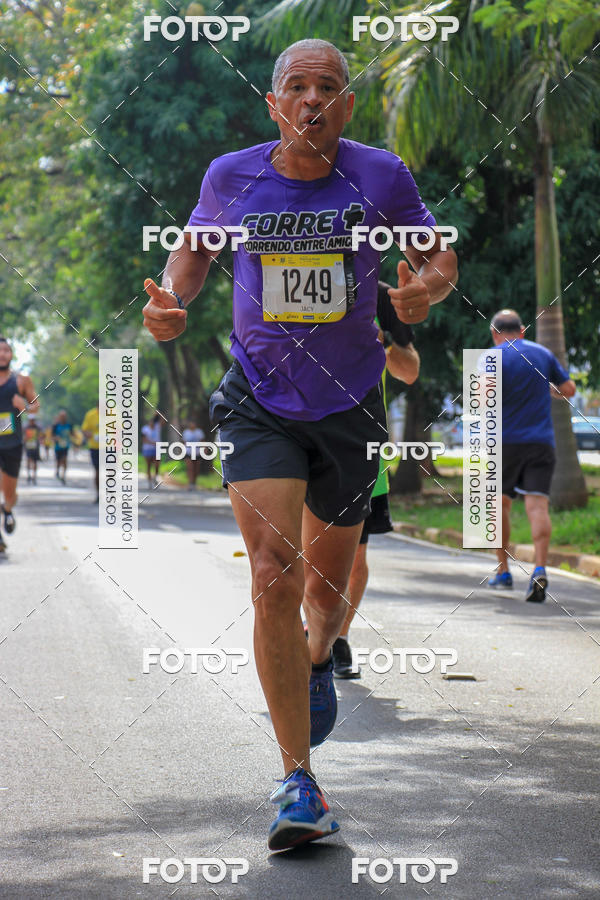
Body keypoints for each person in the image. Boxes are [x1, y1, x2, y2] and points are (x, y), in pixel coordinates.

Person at [142, 38, 457, 850]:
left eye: (327, 87)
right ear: (273, 103)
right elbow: (192, 252)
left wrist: (426, 288)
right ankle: (298, 782)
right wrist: (172, 299)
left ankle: (320, 656)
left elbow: (437, 255)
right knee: (273, 575)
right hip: (258, 400)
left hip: (350, 405)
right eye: (297, 86)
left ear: (346, 105)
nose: (312, 98)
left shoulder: (381, 175)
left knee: (326, 591)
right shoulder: (230, 177)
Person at [333, 281, 420, 678]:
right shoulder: (283, 271)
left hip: (363, 447)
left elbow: (410, 370)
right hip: (297, 440)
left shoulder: (381, 295)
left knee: (355, 560)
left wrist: (382, 343)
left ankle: (337, 636)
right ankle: (311, 627)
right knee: (298, 554)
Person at [486, 309, 575, 602]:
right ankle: (539, 568)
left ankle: (503, 571)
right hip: (541, 442)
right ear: (523, 331)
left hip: (503, 443)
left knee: (499, 505)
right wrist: (551, 391)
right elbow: (569, 389)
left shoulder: (491, 357)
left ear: (495, 333)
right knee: (537, 507)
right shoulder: (543, 354)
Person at [0, 337, 40, 551]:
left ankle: (7, 509)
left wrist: (23, 405)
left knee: (10, 493)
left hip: (12, 444)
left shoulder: (22, 380)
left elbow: (36, 406)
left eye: (6, 350)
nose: (2, 354)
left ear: (11, 354)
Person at [81, 404, 100, 503]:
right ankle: (98, 494)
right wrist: (89, 434)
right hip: (95, 447)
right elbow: (84, 429)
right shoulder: (90, 414)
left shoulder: (114, 413)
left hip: (110, 447)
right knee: (97, 471)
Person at [182, 419, 205, 490]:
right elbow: (184, 442)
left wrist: (204, 450)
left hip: (197, 452)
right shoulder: (186, 432)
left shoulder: (199, 432)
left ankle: (194, 482)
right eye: (191, 423)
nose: (192, 425)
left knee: (196, 469)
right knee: (190, 468)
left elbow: (203, 442)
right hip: (188, 452)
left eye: (193, 423)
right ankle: (190, 483)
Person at [52, 410, 73, 484]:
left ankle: (63, 476)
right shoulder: (55, 426)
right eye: (62, 416)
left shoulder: (69, 425)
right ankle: (57, 471)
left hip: (66, 446)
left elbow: (72, 434)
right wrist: (56, 438)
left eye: (64, 416)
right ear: (59, 417)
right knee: (58, 461)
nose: (63, 418)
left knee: (64, 460)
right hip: (58, 447)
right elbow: (52, 436)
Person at [141, 413, 162, 487]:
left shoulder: (157, 427)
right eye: (151, 422)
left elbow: (164, 421)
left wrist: (158, 414)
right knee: (149, 465)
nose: (152, 424)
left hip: (157, 449)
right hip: (147, 449)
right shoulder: (145, 429)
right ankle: (149, 481)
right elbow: (143, 439)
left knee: (157, 464)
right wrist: (152, 443)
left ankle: (156, 476)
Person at [23, 415, 42, 485]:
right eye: (31, 420)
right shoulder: (26, 427)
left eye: (33, 420)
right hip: (28, 447)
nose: (32, 421)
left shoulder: (37, 428)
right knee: (28, 460)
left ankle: (34, 476)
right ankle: (28, 475)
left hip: (35, 447)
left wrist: (40, 438)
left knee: (35, 462)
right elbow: (23, 437)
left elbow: (42, 435)